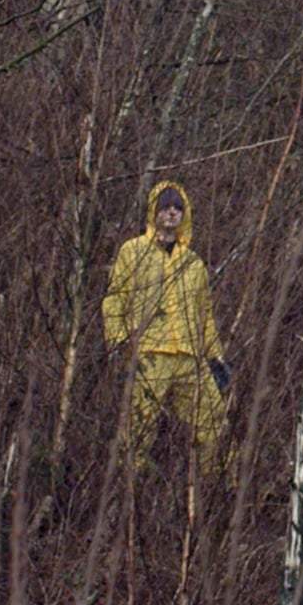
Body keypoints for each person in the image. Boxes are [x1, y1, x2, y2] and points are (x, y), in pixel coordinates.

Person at [102, 180, 228, 469]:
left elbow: (204, 314)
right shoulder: (133, 252)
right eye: (165, 206)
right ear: (153, 211)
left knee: (213, 418)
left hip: (189, 357)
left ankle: (214, 486)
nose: (172, 213)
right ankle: (129, 490)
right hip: (148, 356)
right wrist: (120, 343)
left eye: (178, 207)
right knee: (137, 428)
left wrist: (214, 357)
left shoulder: (193, 263)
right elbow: (114, 300)